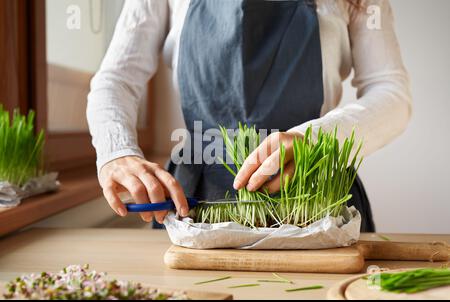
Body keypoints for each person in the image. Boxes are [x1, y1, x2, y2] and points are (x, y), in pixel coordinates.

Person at [87, 0, 412, 232]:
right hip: (197, 203)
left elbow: (391, 92)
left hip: (319, 196)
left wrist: (315, 140)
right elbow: (116, 79)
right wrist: (117, 152)